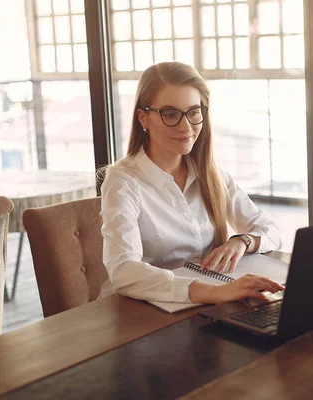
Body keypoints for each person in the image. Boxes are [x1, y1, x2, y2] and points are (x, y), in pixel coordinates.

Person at [99, 62, 284, 305]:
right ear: (143, 118)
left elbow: (269, 230)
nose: (186, 127)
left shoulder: (209, 173)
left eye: (194, 112)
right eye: (170, 114)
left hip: (207, 304)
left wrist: (241, 241)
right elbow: (124, 270)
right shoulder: (123, 181)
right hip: (142, 313)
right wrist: (215, 292)